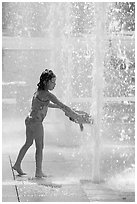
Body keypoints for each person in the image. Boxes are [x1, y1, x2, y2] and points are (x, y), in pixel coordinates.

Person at [12, 69, 91, 178]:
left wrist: (59, 107)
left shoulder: (39, 92)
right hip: (36, 122)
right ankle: (38, 172)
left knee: (28, 143)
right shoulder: (48, 95)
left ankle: (17, 164)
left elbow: (45, 104)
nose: (55, 84)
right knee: (39, 147)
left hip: (29, 120)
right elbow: (63, 106)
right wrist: (76, 115)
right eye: (53, 82)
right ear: (46, 82)